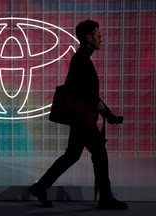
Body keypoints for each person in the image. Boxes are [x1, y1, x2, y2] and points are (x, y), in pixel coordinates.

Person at [29, 20, 128, 210]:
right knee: (98, 154)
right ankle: (105, 198)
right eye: (98, 35)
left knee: (72, 155)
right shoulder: (81, 59)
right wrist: (107, 113)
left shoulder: (82, 58)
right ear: (88, 37)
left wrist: (107, 113)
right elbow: (85, 93)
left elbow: (87, 93)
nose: (101, 38)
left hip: (82, 119)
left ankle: (40, 187)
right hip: (84, 120)